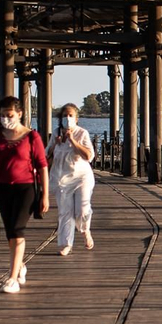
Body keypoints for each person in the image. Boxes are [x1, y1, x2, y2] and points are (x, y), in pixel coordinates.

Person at [0, 96, 49, 294]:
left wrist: (45, 196)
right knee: (10, 232)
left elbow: (42, 166)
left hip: (25, 188)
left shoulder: (32, 137)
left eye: (9, 115)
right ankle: (20, 265)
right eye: (2, 116)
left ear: (19, 114)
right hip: (1, 187)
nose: (5, 119)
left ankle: (12, 278)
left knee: (18, 229)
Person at [49, 102, 95, 256]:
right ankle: (65, 243)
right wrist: (55, 144)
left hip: (81, 177)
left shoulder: (82, 133)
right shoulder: (56, 133)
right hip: (62, 178)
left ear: (76, 119)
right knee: (65, 212)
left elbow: (88, 156)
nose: (67, 118)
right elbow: (45, 156)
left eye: (70, 116)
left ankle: (85, 230)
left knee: (81, 210)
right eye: (64, 115)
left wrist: (72, 141)